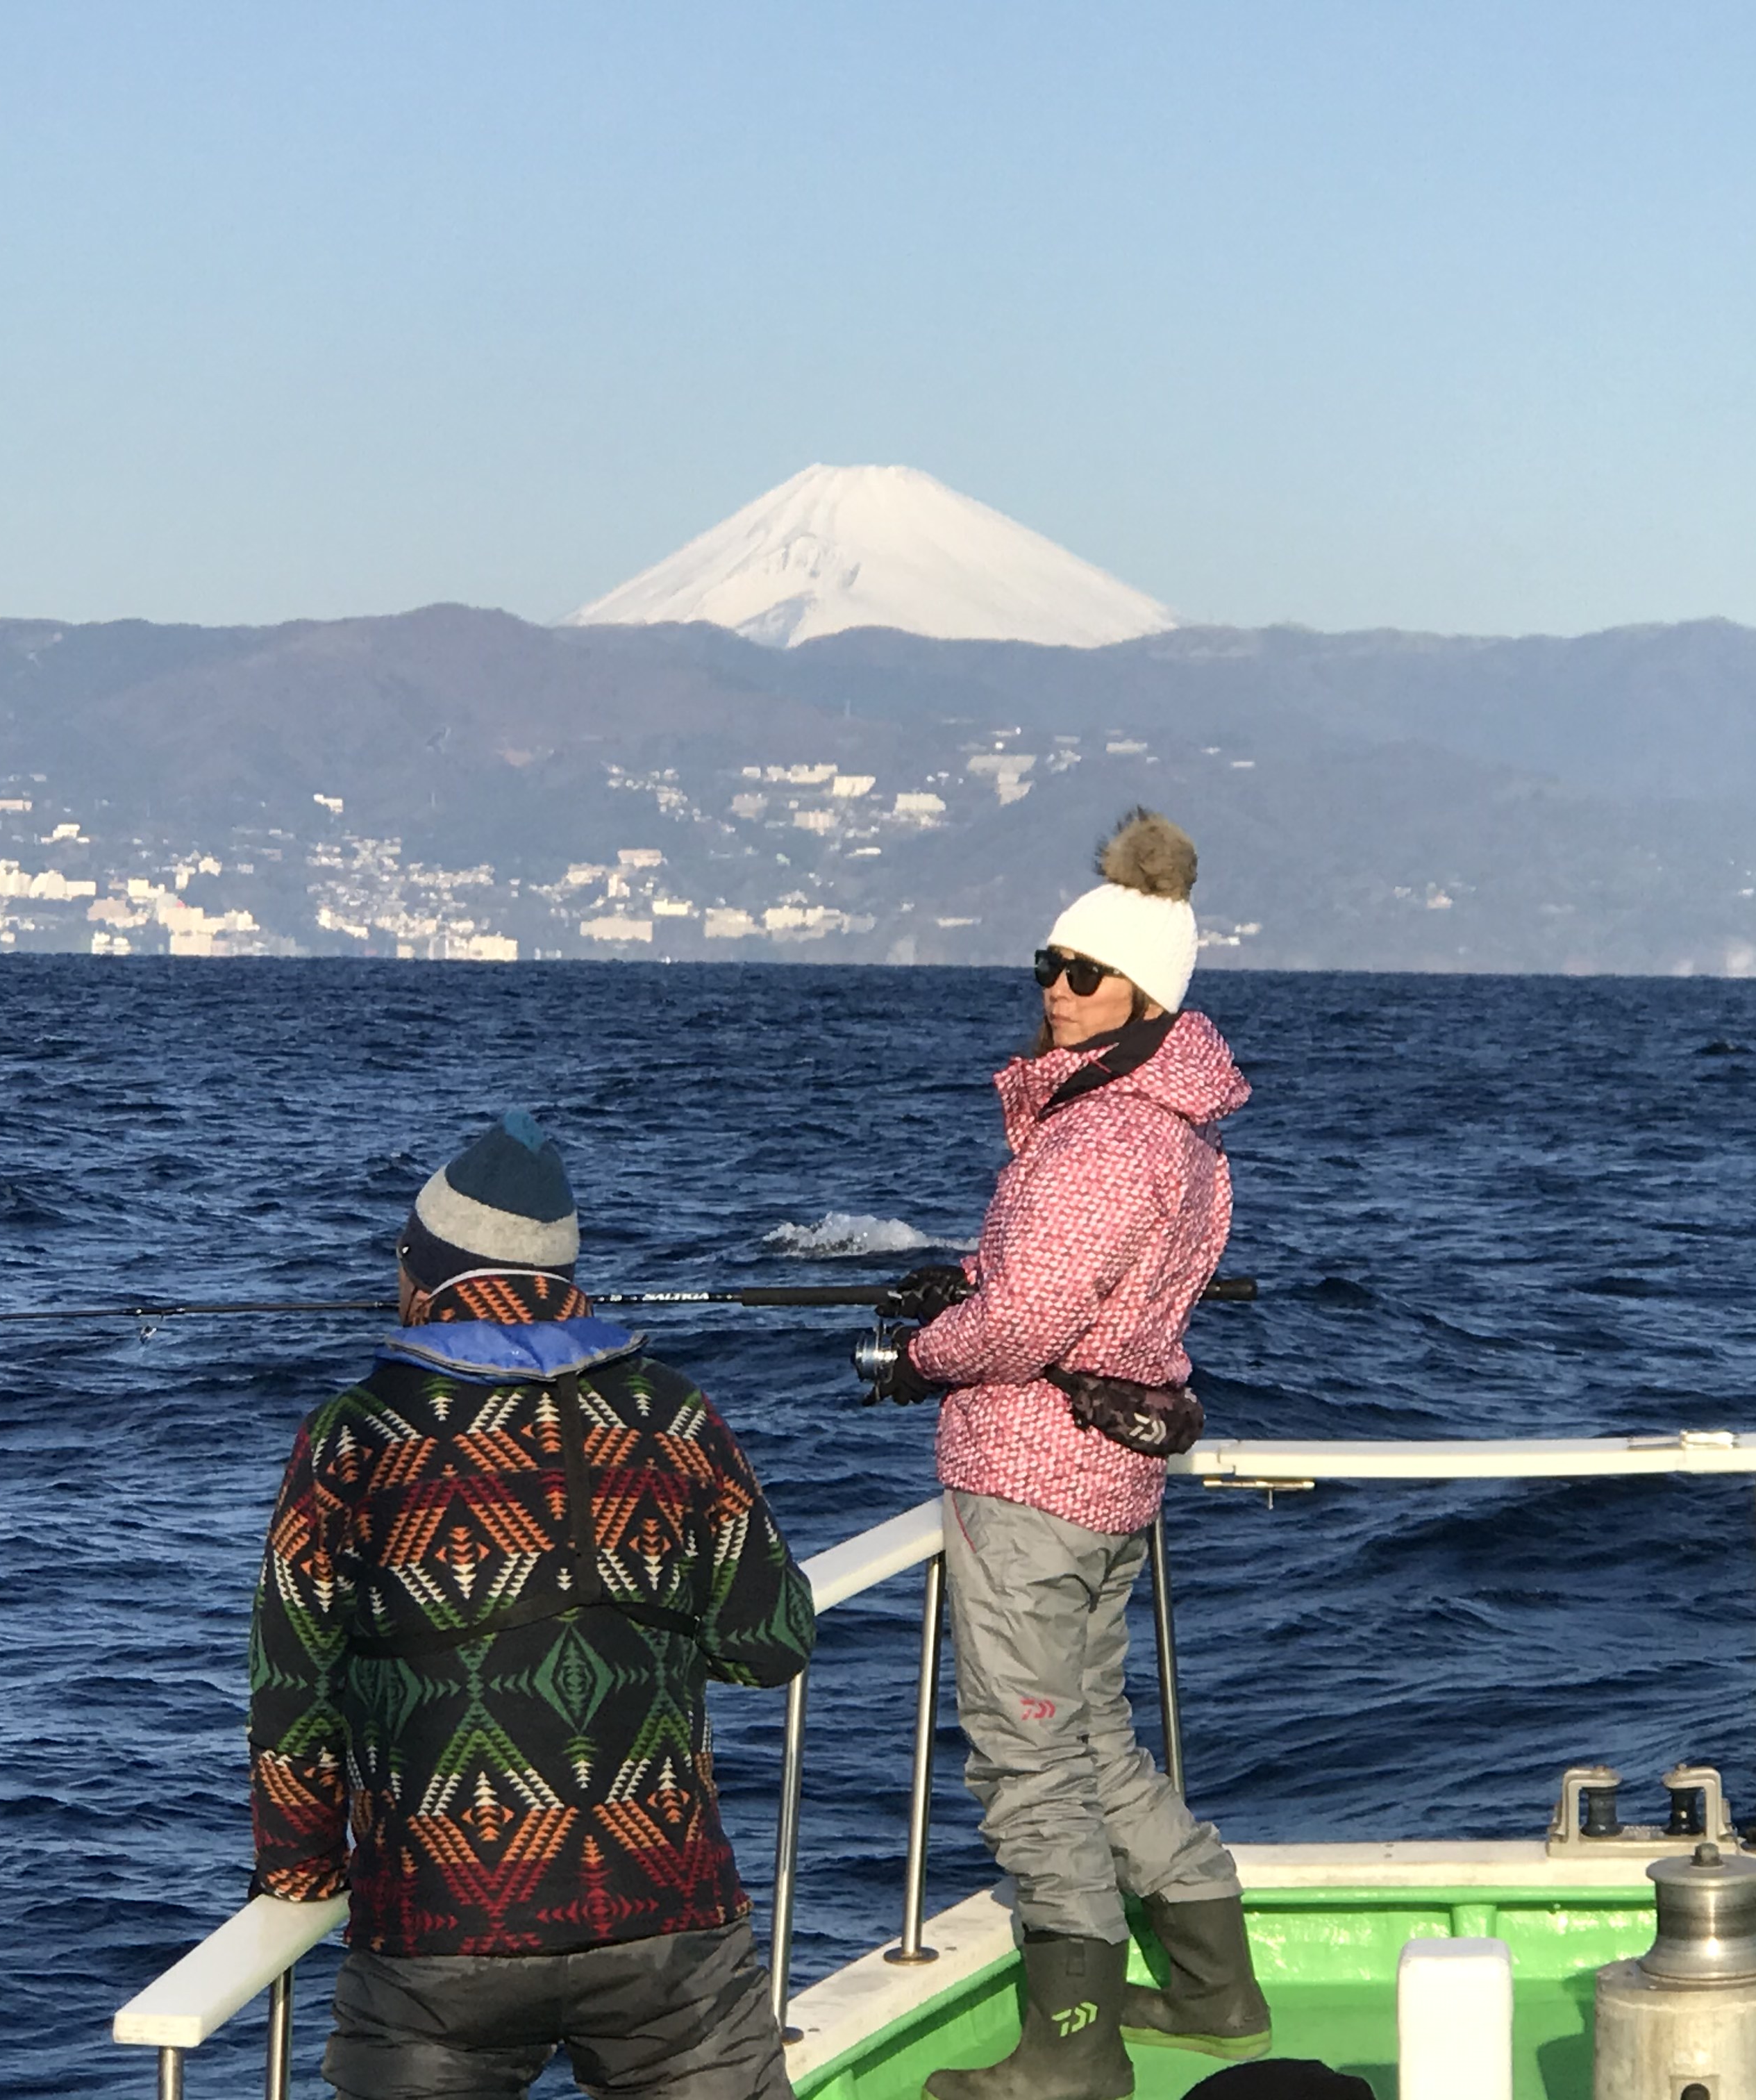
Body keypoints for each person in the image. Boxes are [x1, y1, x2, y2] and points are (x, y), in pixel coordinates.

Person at [248, 1111, 817, 2100]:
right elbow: (770, 1642)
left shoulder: (353, 1437)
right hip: (665, 1912)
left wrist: (301, 1872)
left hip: (437, 1926)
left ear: (421, 1276)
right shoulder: (676, 1415)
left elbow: (294, 1690)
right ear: (566, 1287)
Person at [885, 811, 1269, 2100]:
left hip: (1032, 1480)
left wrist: (920, 1355)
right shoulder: (1178, 1129)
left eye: (1080, 971)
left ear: (1143, 990)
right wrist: (978, 1282)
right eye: (1046, 965)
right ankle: (1215, 1988)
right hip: (1111, 1482)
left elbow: (1031, 1322)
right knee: (1094, 1732)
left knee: (1026, 1754)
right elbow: (1090, 1295)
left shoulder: (1102, 1135)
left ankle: (1072, 2055)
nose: (1054, 989)